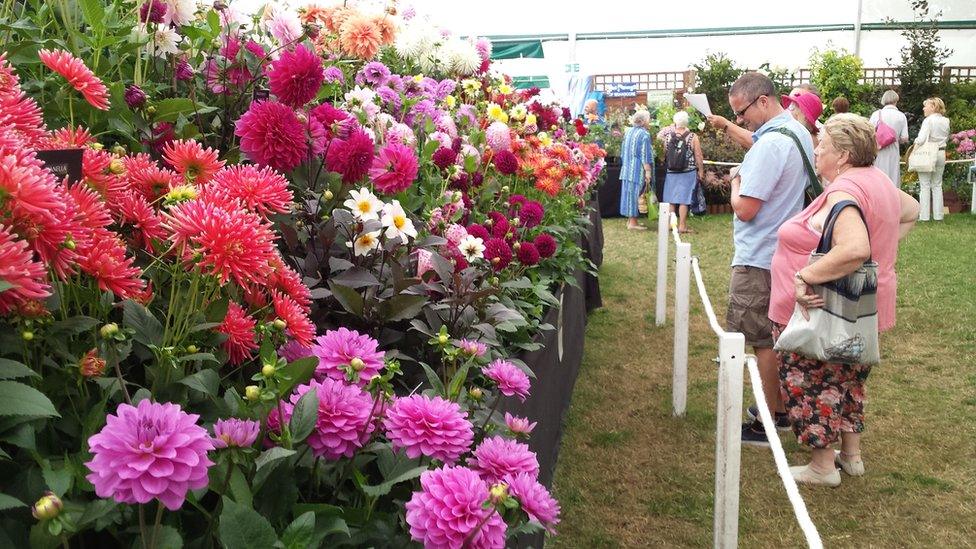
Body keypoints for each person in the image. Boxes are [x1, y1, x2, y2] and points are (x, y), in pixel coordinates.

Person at [768, 113, 919, 486]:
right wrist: (883, 252)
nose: (816, 152)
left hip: (830, 310)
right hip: (867, 305)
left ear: (844, 155)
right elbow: (911, 209)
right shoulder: (876, 180)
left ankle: (822, 465)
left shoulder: (843, 191)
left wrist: (806, 275)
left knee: (813, 380)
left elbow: (854, 247)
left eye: (823, 146)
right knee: (849, 378)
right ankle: (850, 455)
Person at [724, 72, 815, 446]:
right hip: (782, 252)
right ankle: (775, 408)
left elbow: (745, 209)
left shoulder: (769, 146)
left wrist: (735, 183)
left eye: (741, 112)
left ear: (763, 101)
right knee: (772, 336)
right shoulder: (799, 134)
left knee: (762, 341)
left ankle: (767, 420)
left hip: (759, 254)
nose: (741, 120)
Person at [709, 84, 822, 151]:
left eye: (794, 105)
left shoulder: (807, 136)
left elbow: (757, 141)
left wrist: (725, 125)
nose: (787, 109)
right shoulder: (797, 132)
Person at [661, 111, 704, 234]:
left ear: (675, 122)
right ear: (686, 122)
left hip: (671, 170)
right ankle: (682, 226)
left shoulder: (669, 136)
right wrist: (700, 170)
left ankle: (671, 224)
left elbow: (665, 152)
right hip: (688, 171)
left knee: (671, 198)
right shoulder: (692, 136)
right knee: (684, 199)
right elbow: (698, 155)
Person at [914, 97, 951, 221]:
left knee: (924, 185)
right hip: (941, 153)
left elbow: (921, 139)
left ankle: (924, 216)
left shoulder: (928, 120)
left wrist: (914, 145)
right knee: (937, 185)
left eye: (926, 106)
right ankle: (938, 215)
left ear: (933, 107)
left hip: (928, 153)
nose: (924, 108)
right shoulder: (946, 121)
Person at [618, 109, 653, 230]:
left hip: (626, 168)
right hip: (637, 170)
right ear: (643, 122)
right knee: (634, 195)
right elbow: (645, 154)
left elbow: (622, 152)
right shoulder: (644, 134)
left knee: (628, 194)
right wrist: (648, 172)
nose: (650, 122)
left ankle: (630, 221)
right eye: (649, 119)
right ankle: (633, 223)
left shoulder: (628, 132)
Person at [869, 90, 910, 187]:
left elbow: (868, 133)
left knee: (878, 178)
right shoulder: (901, 116)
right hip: (893, 152)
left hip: (878, 151)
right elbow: (905, 138)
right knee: (893, 178)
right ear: (896, 100)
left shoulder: (876, 114)